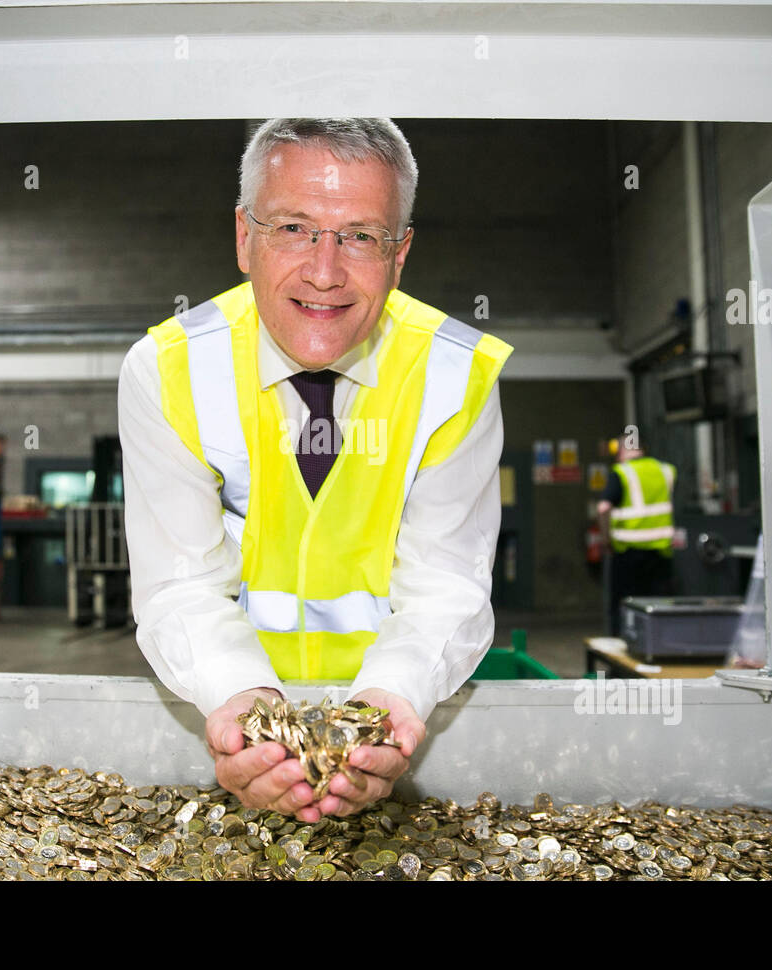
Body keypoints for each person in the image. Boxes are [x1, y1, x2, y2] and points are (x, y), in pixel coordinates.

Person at [118, 118, 512, 822]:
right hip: (226, 716)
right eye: (293, 229)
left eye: (360, 236)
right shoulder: (169, 372)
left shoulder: (457, 379)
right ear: (244, 237)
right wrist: (243, 702)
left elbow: (447, 584)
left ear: (399, 254)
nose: (324, 272)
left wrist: (387, 705)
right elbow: (178, 584)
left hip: (395, 717)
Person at [595, 433, 676, 635]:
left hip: (627, 552)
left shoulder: (621, 472)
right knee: (657, 604)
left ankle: (623, 643)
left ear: (622, 450)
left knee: (624, 604)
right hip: (660, 551)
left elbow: (603, 508)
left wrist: (605, 540)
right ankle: (657, 643)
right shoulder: (666, 470)